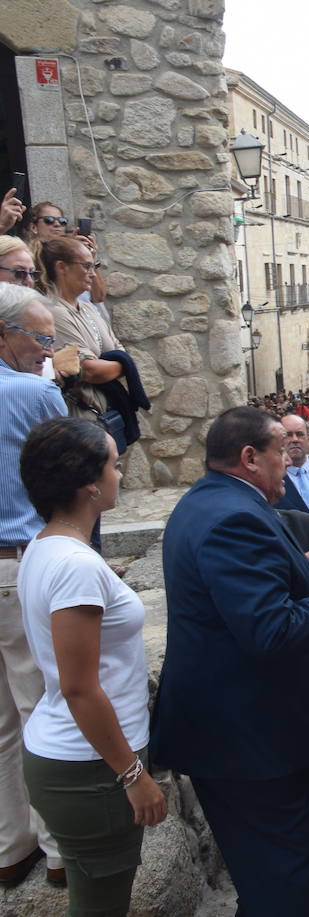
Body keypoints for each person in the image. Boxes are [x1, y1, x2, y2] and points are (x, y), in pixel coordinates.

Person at [149, 407, 309, 916]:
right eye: (282, 451)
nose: (289, 461)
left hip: (238, 734)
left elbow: (230, 593)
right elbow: (270, 630)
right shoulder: (234, 516)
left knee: (265, 875)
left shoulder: (212, 501)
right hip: (250, 740)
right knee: (283, 882)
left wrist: (300, 567)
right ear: (250, 457)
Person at [18, 417, 166, 912]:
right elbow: (80, 687)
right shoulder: (76, 565)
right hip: (91, 769)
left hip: (74, 758)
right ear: (88, 484)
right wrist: (133, 775)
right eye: (114, 466)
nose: (120, 476)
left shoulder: (45, 547)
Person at [0, 284, 68, 888]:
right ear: (5, 334)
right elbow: (73, 465)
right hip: (18, 559)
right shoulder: (35, 391)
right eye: (41, 337)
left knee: (0, 715)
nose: (47, 350)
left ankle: (9, 846)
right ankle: (57, 850)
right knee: (38, 698)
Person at [41, 238, 124, 419]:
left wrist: (115, 363)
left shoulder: (87, 308)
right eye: (86, 266)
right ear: (62, 267)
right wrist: (123, 364)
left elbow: (119, 349)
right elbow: (90, 370)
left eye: (93, 266)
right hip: (78, 418)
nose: (93, 274)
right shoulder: (53, 311)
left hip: (103, 412)